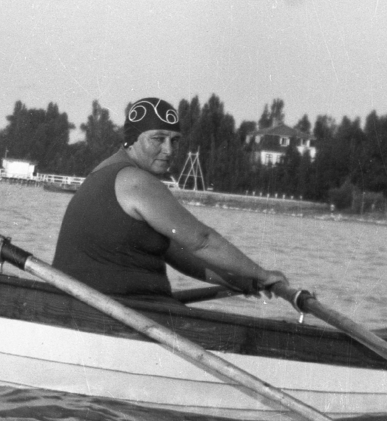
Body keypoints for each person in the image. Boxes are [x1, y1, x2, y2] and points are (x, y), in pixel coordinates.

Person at [52, 96, 289, 300]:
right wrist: (263, 275)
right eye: (158, 138)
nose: (169, 150)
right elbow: (201, 240)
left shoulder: (105, 170)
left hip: (84, 301)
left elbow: (176, 251)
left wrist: (240, 279)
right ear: (132, 138)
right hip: (119, 308)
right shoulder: (136, 180)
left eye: (175, 141)